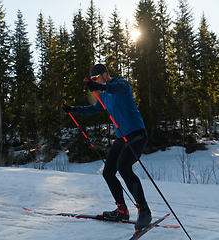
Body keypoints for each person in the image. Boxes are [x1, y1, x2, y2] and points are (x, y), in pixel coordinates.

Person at [61, 64, 152, 231]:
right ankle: (122, 211)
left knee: (124, 167)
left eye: (96, 78)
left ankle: (144, 211)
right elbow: (94, 109)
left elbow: (119, 87)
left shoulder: (121, 85)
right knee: (108, 172)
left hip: (137, 134)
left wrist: (100, 86)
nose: (94, 82)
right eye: (93, 80)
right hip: (122, 138)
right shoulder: (105, 96)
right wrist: (73, 109)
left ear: (104, 75)